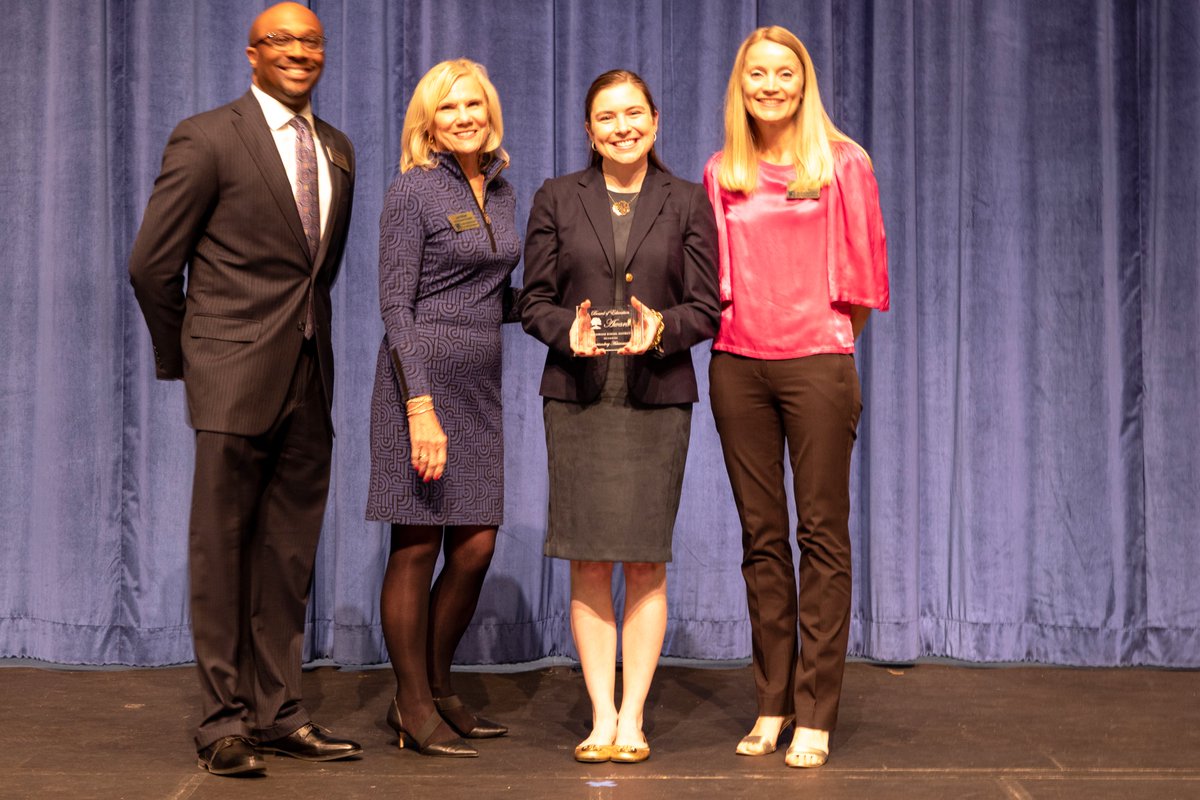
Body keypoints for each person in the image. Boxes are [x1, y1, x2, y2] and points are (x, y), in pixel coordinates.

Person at [128, 2, 359, 777]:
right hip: (230, 376)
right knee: (223, 552)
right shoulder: (207, 137)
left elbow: (314, 275)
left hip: (309, 376)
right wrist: (188, 358)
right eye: (282, 41)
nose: (299, 52)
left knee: (287, 558)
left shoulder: (337, 149)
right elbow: (153, 266)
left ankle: (278, 711)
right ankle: (222, 720)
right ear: (252, 55)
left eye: (311, 41)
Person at [520, 70, 719, 765]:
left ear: (655, 121)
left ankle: (633, 718)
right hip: (578, 396)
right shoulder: (555, 197)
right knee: (587, 557)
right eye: (607, 117)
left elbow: (707, 307)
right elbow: (533, 300)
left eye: (634, 113)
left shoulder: (688, 200)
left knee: (644, 561)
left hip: (654, 397)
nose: (622, 126)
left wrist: (659, 326)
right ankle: (599, 717)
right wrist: (563, 331)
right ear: (589, 130)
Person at [704, 26, 889, 768]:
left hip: (817, 363)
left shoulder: (843, 163)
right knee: (761, 541)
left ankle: (816, 710)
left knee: (821, 536)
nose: (771, 85)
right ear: (740, 85)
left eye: (785, 72)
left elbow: (864, 282)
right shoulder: (724, 170)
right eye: (758, 73)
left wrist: (824, 344)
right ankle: (772, 702)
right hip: (736, 367)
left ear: (803, 81)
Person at [367, 59, 520, 759]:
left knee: (477, 543)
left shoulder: (507, 191)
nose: (463, 117)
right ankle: (413, 703)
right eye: (448, 108)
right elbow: (397, 306)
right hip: (419, 382)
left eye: (474, 106)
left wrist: (563, 319)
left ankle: (438, 684)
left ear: (490, 113)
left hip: (481, 389)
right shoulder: (413, 191)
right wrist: (419, 407)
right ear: (428, 122)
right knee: (418, 543)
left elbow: (494, 295)